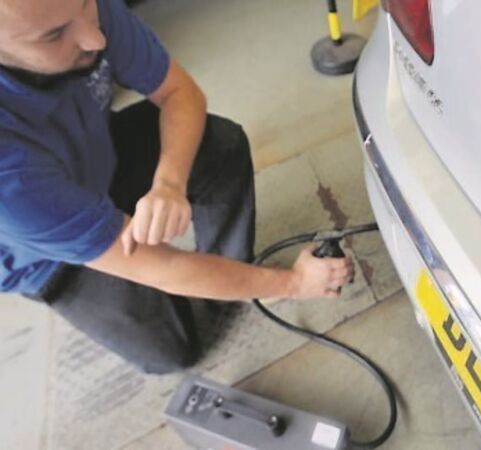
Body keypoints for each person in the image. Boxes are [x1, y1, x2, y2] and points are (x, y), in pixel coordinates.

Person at [0, 0, 354, 374]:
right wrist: (294, 284)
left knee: (220, 145)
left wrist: (169, 183)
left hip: (94, 150)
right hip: (44, 257)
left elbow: (179, 92)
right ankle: (225, 284)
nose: (95, 38)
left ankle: (232, 274)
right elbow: (163, 267)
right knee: (171, 349)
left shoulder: (76, 11)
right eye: (54, 35)